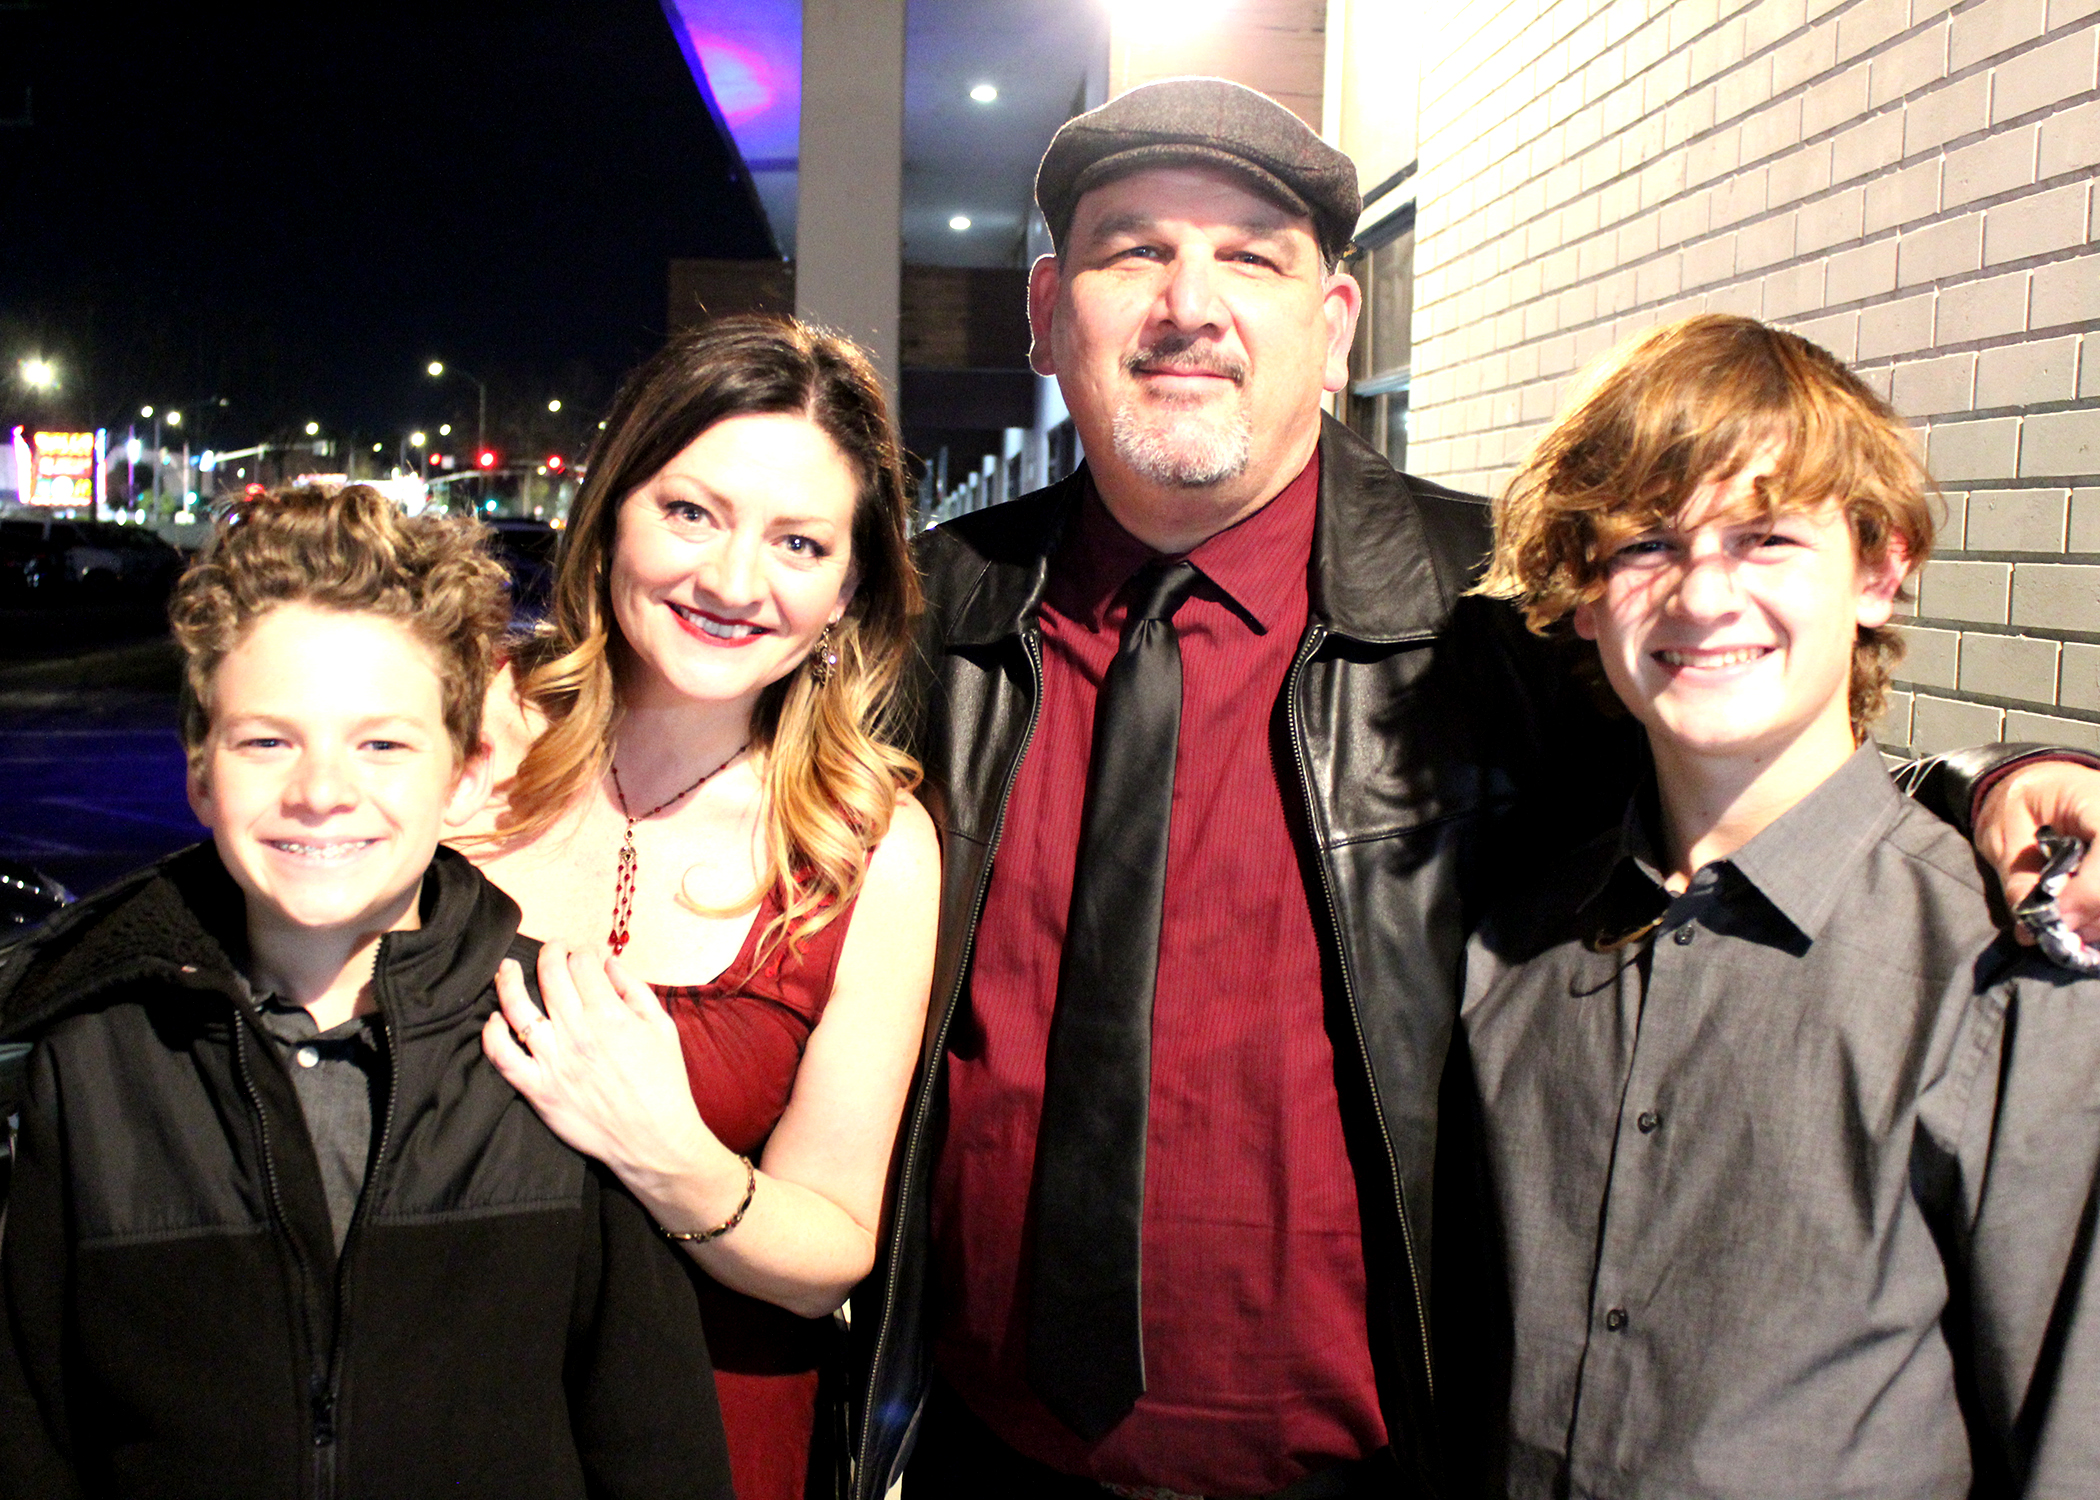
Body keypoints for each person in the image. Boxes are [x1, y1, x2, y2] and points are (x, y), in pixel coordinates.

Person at [873, 77, 2100, 1500]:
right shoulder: (916, 621)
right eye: (1132, 249)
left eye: (1253, 260)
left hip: (1387, 1468)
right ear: (1046, 307)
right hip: (979, 1456)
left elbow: (1738, 753)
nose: (1188, 305)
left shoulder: (1498, 614)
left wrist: (2000, 793)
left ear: (1333, 332)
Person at [1458, 313, 2100, 1496]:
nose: (1704, 595)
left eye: (1764, 537)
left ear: (1879, 568)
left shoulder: (2006, 971)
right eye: (1647, 544)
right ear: (1586, 598)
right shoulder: (1512, 944)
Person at [0, 485, 735, 1500]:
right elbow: (30, 1430)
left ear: (469, 775)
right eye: (267, 741)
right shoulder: (93, 1058)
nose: (319, 792)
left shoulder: (562, 1038)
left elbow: (654, 1441)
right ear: (200, 772)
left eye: (382, 744)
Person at [458, 315, 939, 1500]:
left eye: (798, 542)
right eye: (691, 513)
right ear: (611, 510)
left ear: (849, 588)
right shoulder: (450, 735)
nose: (733, 582)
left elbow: (831, 1248)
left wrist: (665, 1153)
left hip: (714, 1441)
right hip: (438, 1414)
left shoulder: (867, 847)